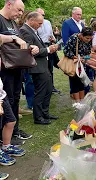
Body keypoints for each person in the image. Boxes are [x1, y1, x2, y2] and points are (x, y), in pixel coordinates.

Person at [0, 0, 39, 141]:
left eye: (22, 11)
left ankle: (14, 130)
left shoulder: (13, 23)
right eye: (19, 10)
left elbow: (20, 42)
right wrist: (13, 37)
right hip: (4, 69)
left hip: (17, 67)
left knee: (15, 99)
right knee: (6, 101)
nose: (20, 14)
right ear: (8, 4)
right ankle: (4, 134)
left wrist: (31, 47)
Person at [20, 12, 59, 125]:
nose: (40, 26)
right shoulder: (24, 30)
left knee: (48, 89)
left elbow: (38, 47)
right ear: (31, 20)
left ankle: (45, 113)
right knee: (40, 92)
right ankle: (38, 117)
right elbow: (30, 51)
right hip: (36, 67)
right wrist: (47, 50)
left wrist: (48, 48)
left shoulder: (32, 30)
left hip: (43, 65)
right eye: (39, 23)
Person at [0, 34, 26, 180]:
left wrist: (17, 39)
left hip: (1, 94)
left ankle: (6, 146)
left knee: (10, 121)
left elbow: (8, 37)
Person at [63, 27, 93, 102]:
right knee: (75, 82)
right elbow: (66, 51)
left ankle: (82, 100)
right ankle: (77, 101)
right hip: (74, 64)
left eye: (90, 38)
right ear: (81, 35)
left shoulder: (89, 41)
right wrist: (75, 57)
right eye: (87, 38)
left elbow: (89, 53)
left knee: (82, 81)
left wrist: (85, 58)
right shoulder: (73, 38)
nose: (88, 40)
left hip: (83, 64)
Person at [36, 8, 61, 94]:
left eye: (43, 15)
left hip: (49, 46)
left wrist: (53, 40)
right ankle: (43, 88)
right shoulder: (35, 23)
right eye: (40, 15)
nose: (42, 17)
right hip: (40, 48)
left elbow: (51, 35)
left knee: (50, 68)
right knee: (43, 69)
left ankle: (51, 87)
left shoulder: (47, 22)